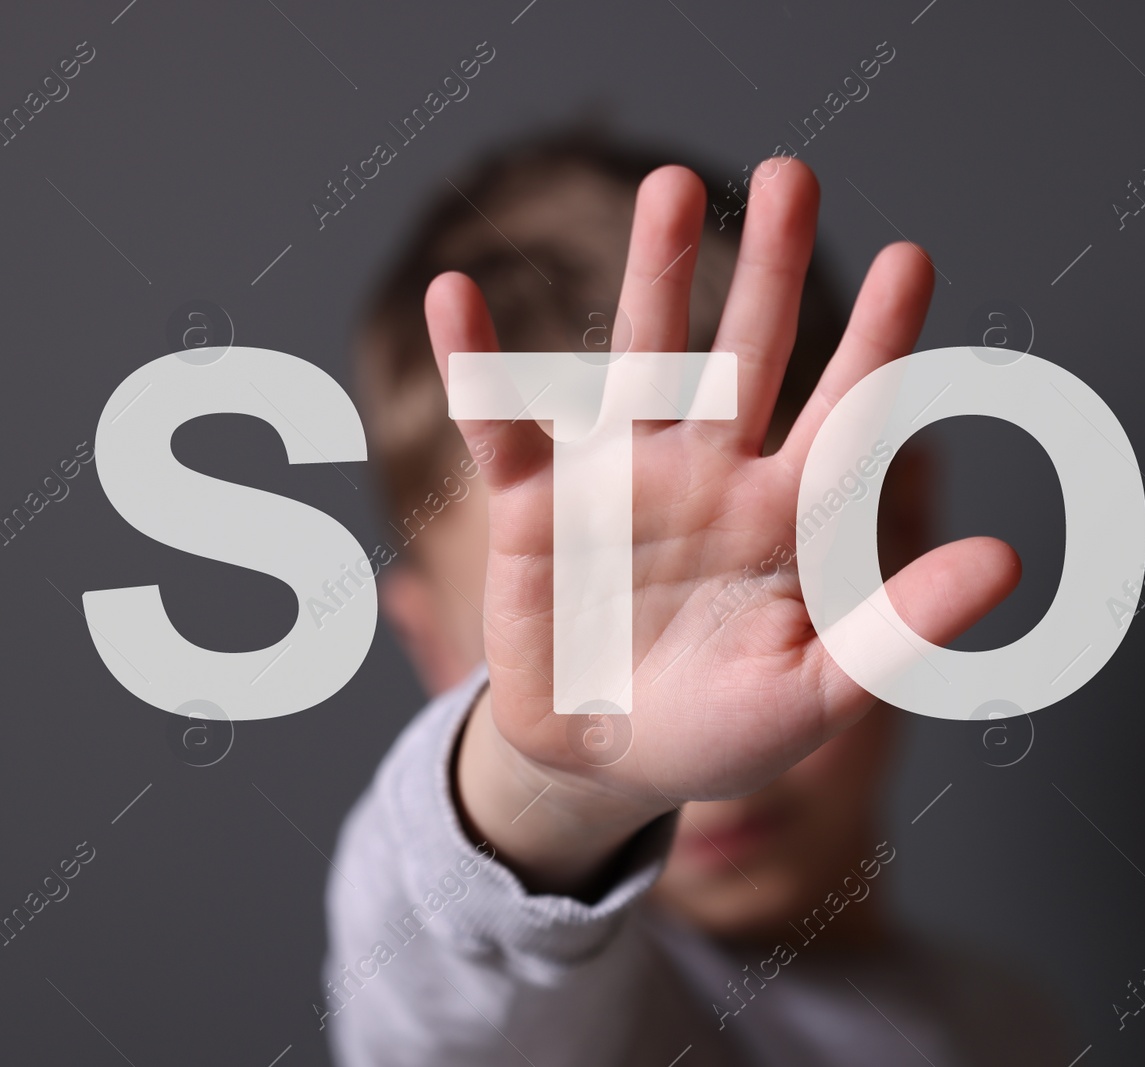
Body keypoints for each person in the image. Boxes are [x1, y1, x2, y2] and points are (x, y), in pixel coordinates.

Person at [324, 133, 1072, 1065]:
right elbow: (446, 980)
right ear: (437, 648)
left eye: (766, 588)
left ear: (901, 518)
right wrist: (564, 781)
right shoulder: (573, 1027)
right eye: (586, 641)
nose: (714, 767)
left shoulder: (1010, 1025)